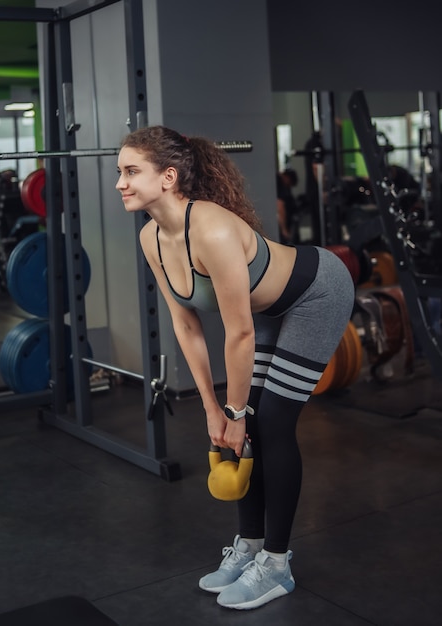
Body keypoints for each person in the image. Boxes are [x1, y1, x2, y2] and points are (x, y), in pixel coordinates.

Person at [116, 126, 355, 611]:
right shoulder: (151, 238)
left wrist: (236, 408)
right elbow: (186, 326)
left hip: (317, 293)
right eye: (119, 172)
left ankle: (277, 563)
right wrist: (213, 410)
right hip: (265, 311)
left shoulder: (214, 229)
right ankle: (248, 545)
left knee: (267, 421)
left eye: (130, 171)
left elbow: (238, 333)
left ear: (167, 177)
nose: (120, 182)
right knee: (236, 433)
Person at [276, 167, 299, 244]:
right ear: (287, 177)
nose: (288, 186)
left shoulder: (277, 181)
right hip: (278, 224)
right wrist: (284, 229)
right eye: (289, 183)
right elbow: (280, 207)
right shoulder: (279, 183)